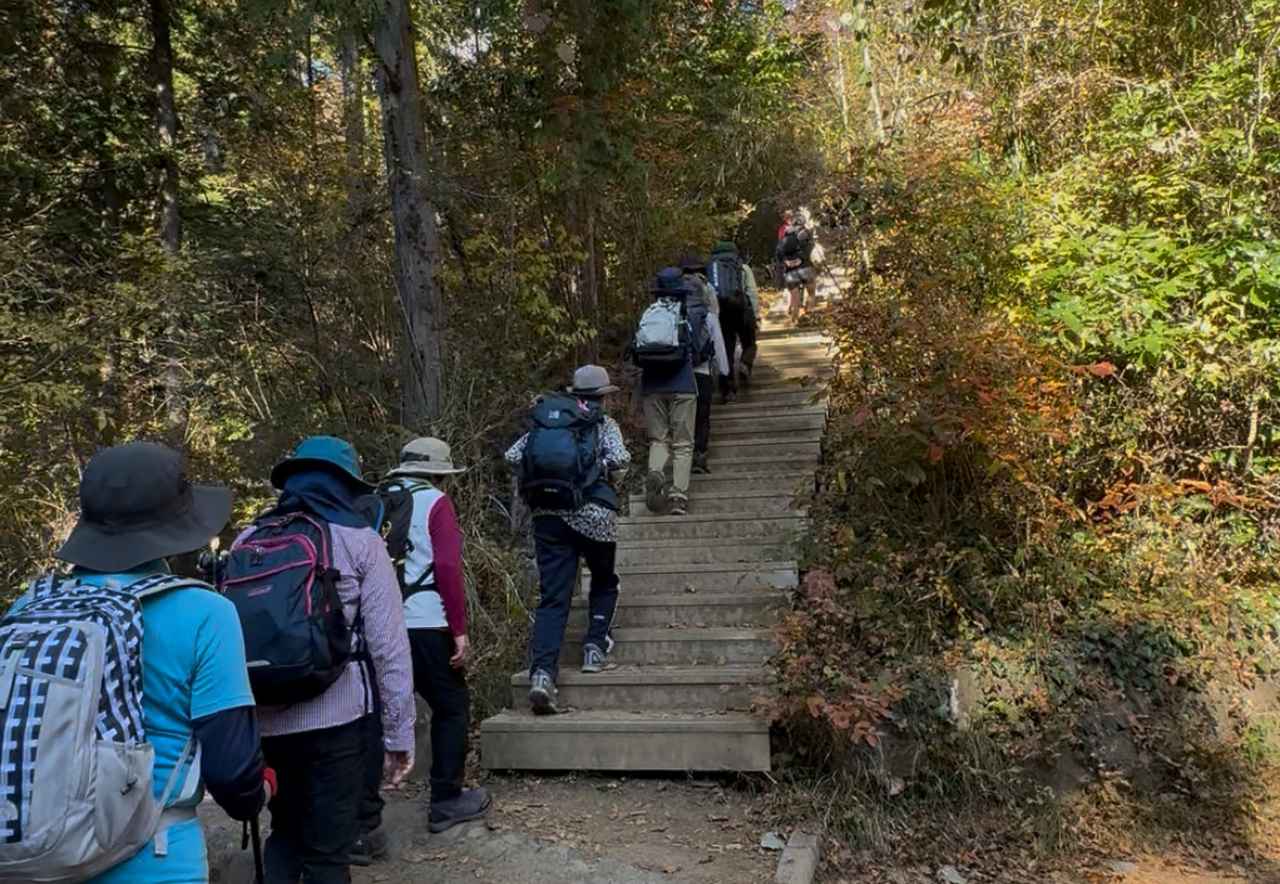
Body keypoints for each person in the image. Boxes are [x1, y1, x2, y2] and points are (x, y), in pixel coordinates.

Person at [3, 441, 273, 884]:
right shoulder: (205, 612)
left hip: (31, 856)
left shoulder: (28, 607)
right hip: (156, 857)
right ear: (176, 526)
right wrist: (259, 789)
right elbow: (232, 771)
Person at [250, 436, 415, 884]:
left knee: (284, 833)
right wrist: (399, 734)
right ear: (346, 485)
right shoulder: (359, 541)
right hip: (338, 721)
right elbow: (389, 648)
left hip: (268, 719)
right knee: (328, 852)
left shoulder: (250, 538)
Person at [357, 437, 491, 843]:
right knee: (451, 706)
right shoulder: (436, 502)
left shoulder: (375, 502)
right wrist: (459, 628)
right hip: (425, 622)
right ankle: (446, 799)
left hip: (376, 623)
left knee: (370, 716)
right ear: (438, 472)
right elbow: (447, 566)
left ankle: (362, 822)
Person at [505, 365, 631, 713]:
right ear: (603, 396)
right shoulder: (604, 424)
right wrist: (600, 469)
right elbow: (621, 459)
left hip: (548, 517)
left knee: (553, 598)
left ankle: (543, 675)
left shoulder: (547, 419)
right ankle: (593, 648)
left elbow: (513, 456)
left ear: (574, 393)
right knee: (604, 581)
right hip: (595, 516)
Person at [635, 267, 712, 514]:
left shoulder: (648, 315)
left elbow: (635, 352)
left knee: (659, 439)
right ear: (680, 291)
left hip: (652, 386)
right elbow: (699, 351)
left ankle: (656, 472)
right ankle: (678, 496)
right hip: (683, 386)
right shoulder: (687, 315)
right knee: (683, 443)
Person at [678, 253, 730, 475]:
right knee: (702, 413)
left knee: (682, 416)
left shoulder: (673, 311)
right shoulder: (707, 315)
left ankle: (681, 456)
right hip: (702, 371)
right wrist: (724, 372)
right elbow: (718, 343)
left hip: (677, 373)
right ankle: (699, 455)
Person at [706, 242, 759, 404]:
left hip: (721, 313)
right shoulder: (742, 268)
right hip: (741, 309)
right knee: (749, 342)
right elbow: (751, 291)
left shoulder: (711, 269)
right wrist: (754, 315)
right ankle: (744, 363)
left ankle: (727, 388)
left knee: (726, 349)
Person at [777, 214, 817, 323]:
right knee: (811, 292)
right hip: (805, 267)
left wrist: (786, 261)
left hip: (790, 270)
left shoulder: (785, 235)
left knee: (795, 296)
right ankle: (809, 314)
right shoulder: (806, 233)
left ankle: (794, 319)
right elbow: (810, 248)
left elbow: (779, 253)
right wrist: (801, 259)